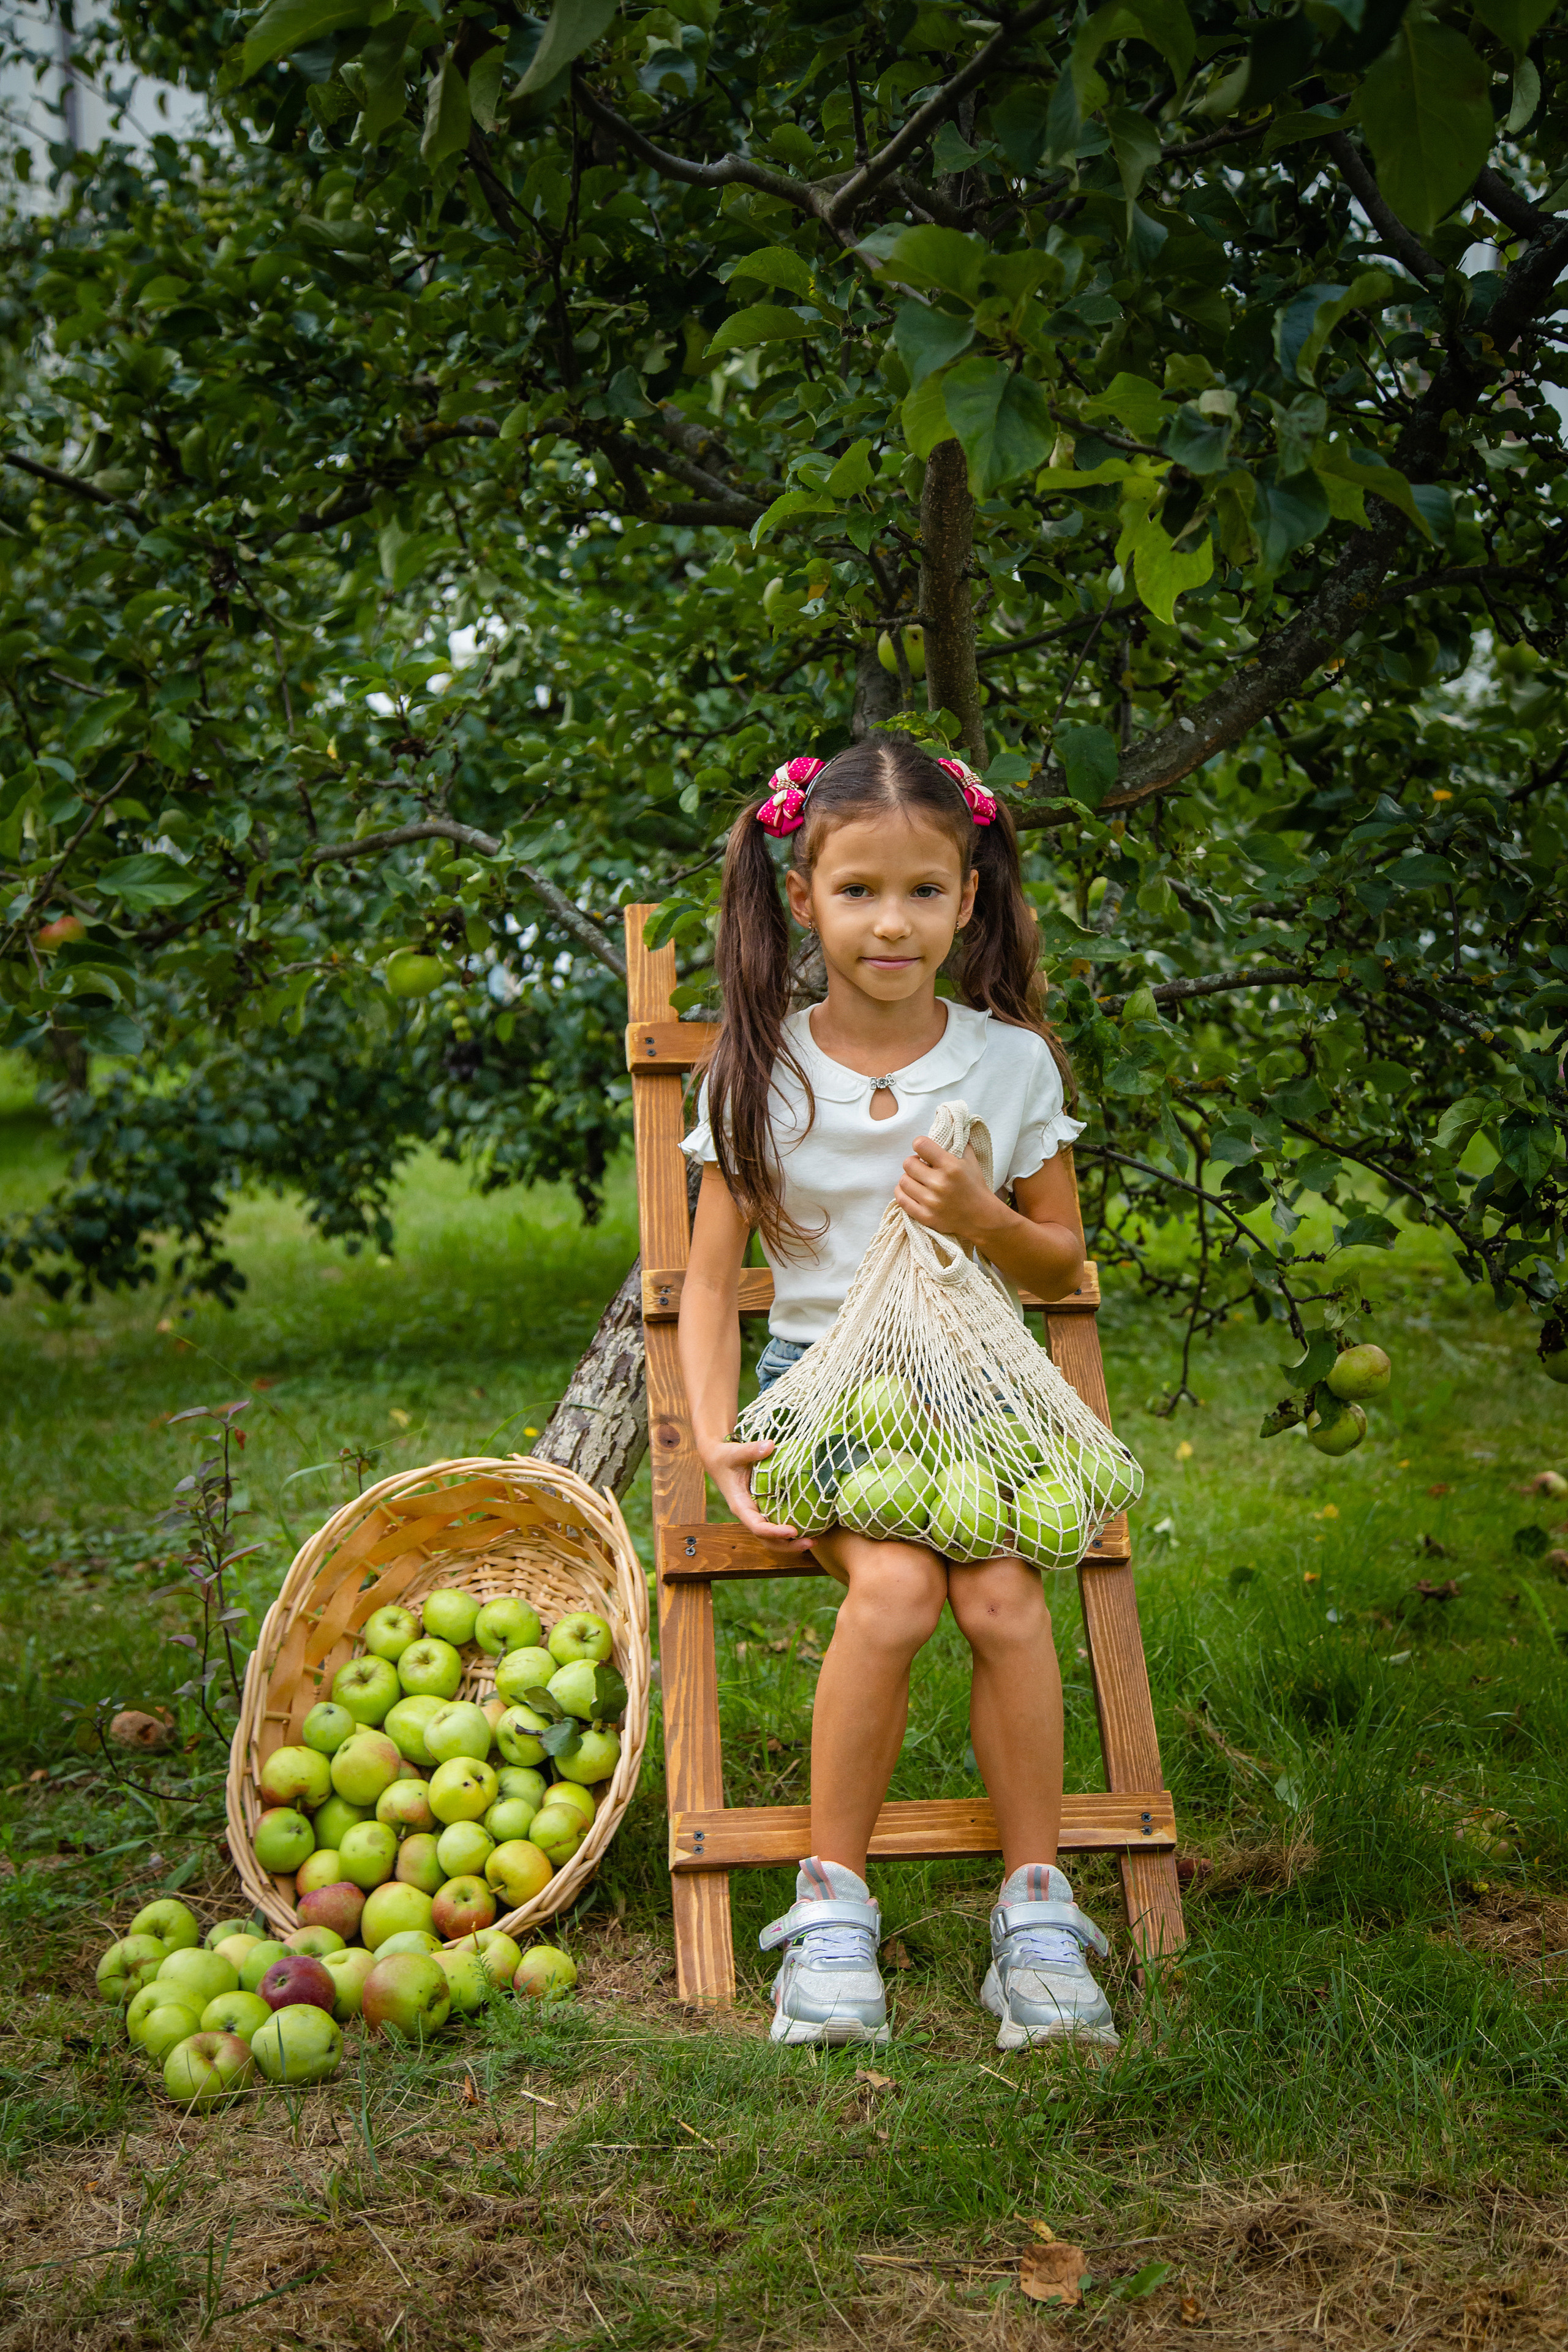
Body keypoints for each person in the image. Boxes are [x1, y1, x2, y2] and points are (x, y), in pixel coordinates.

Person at [678, 731, 1118, 2051]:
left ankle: (1033, 1909)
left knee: (1000, 1595)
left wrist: (985, 1218)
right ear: (801, 896)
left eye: (924, 891)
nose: (892, 922)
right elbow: (707, 1285)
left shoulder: (1007, 1063)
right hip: (819, 1392)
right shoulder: (762, 1067)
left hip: (975, 1392)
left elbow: (1059, 1268)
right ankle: (831, 1904)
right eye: (858, 890)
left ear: (968, 897)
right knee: (895, 1587)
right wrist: (714, 1440)